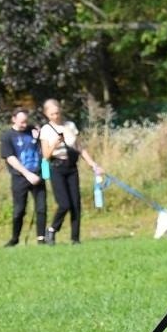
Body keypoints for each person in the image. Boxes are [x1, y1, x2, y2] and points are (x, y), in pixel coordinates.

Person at [39, 98, 104, 245]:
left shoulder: (70, 126)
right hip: (57, 167)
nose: (56, 116)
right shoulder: (46, 130)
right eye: (52, 114)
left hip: (72, 167)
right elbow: (45, 155)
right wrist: (54, 145)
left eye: (57, 113)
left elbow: (80, 147)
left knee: (76, 204)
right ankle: (52, 230)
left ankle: (75, 238)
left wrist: (93, 164)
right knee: (64, 204)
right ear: (47, 114)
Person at [0, 108, 47, 246]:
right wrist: (27, 174)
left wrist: (40, 138)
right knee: (19, 210)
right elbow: (10, 158)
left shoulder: (34, 131)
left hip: (38, 175)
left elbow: (45, 151)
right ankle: (15, 238)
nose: (24, 125)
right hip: (20, 177)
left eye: (26, 121)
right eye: (21, 122)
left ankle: (41, 238)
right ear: (13, 119)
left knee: (41, 208)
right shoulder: (7, 136)